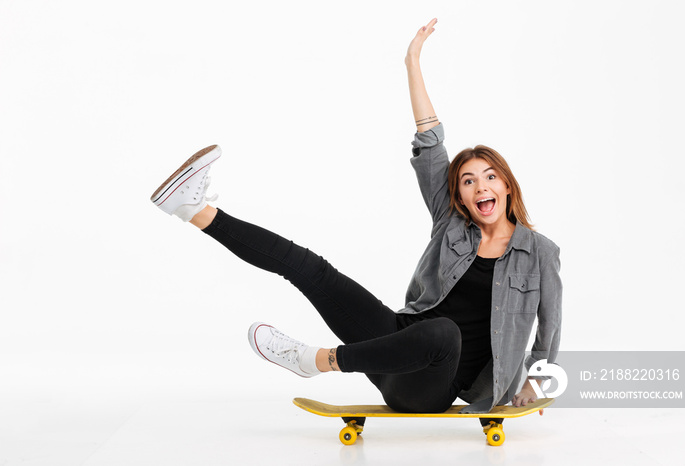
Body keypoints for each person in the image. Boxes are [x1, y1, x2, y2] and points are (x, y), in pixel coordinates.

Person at [150, 18, 562, 420]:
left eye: (490, 177)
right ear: (459, 195)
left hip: (432, 386)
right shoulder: (451, 221)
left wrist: (536, 382)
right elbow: (431, 143)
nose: (480, 187)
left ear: (507, 185)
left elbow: (549, 327)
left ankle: (317, 360)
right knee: (312, 268)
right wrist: (412, 63)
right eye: (468, 181)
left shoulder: (540, 253)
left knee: (444, 333)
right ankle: (192, 209)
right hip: (392, 343)